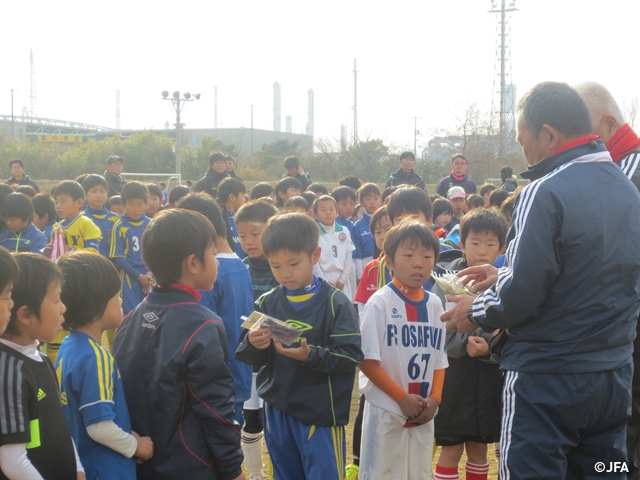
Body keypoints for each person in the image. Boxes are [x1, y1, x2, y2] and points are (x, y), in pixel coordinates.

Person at [442, 81, 640, 479]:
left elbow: (521, 296)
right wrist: (506, 272)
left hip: (547, 384)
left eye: (522, 139)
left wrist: (474, 309)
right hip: (612, 382)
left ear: (548, 135)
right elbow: (592, 271)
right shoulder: (626, 187)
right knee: (606, 470)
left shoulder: (544, 191)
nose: (523, 151)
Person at [113, 209, 245, 480]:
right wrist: (233, 470)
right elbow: (215, 410)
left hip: (141, 460)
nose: (218, 263)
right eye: (213, 254)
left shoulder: (132, 317)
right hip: (191, 464)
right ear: (193, 263)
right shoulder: (204, 325)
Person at [236, 213, 363, 480]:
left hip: (320, 413)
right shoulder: (267, 302)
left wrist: (310, 355)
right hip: (276, 409)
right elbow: (247, 355)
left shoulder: (336, 303)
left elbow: (350, 356)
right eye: (276, 266)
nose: (286, 273)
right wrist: (254, 343)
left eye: (293, 263)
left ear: (315, 255)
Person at [575, 80, 640, 479]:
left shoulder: (625, 176)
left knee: (622, 446)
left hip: (627, 340)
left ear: (609, 124)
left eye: (579, 136)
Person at [358, 221, 448, 480]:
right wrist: (400, 397)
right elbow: (366, 361)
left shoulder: (434, 304)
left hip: (423, 411)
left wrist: (436, 399)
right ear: (390, 261)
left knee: (418, 474)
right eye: (408, 255)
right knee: (383, 474)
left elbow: (440, 361)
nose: (418, 263)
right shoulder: (380, 303)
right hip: (388, 409)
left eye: (427, 256)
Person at [55, 252, 153, 480]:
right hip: (107, 470)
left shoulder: (68, 347)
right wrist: (136, 447)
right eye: (115, 295)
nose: (120, 301)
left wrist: (128, 435)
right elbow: (98, 427)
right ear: (96, 302)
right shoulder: (95, 356)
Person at [433, 209, 507, 480]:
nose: (482, 250)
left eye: (490, 244)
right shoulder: (446, 282)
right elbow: (440, 331)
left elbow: (508, 333)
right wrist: (465, 342)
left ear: (502, 247)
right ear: (461, 244)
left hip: (487, 380)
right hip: (453, 378)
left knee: (479, 448)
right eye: (475, 242)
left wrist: (488, 350)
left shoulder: (504, 285)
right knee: (451, 448)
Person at [0, 253, 85, 480]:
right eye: (57, 299)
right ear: (26, 314)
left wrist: (77, 468)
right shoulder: (9, 373)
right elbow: (12, 460)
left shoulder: (41, 358)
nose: (63, 308)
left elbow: (59, 424)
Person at [179, 194, 253, 426]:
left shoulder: (210, 272)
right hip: (238, 372)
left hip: (216, 379)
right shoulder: (240, 264)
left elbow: (199, 331)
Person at [235, 199, 279, 480]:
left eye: (255, 233)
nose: (248, 241)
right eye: (242, 235)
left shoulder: (286, 266)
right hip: (250, 361)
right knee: (251, 421)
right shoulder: (239, 269)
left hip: (281, 360)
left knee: (277, 422)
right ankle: (255, 474)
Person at [109, 181, 152, 316]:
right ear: (124, 204)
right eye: (131, 205)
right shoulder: (119, 226)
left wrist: (150, 274)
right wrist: (139, 276)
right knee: (131, 315)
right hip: (130, 278)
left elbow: (158, 254)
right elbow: (118, 257)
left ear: (146, 203)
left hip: (151, 276)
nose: (136, 209)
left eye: (140, 204)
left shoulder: (152, 224)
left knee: (151, 314)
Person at [313, 195, 355, 300]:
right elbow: (314, 261)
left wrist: (343, 279)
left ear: (336, 212)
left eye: (331, 209)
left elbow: (348, 256)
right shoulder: (314, 233)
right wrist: (323, 281)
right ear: (315, 214)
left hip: (342, 279)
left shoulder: (344, 231)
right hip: (322, 278)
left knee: (344, 309)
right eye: (323, 210)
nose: (328, 212)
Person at [51, 180, 102, 255]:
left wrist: (68, 251)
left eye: (63, 201)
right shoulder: (57, 228)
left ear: (79, 203)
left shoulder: (86, 224)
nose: (58, 206)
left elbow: (93, 252)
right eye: (56, 202)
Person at [81, 174, 120, 258]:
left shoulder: (115, 218)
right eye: (94, 191)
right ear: (85, 195)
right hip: (89, 263)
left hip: (112, 265)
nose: (99, 195)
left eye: (102, 191)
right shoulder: (81, 218)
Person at [353, 183, 382, 281]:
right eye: (368, 199)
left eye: (375, 198)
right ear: (361, 202)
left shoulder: (386, 221)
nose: (372, 202)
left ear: (380, 200)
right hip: (366, 262)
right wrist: (360, 274)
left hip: (384, 262)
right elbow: (358, 252)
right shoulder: (358, 225)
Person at [217, 177, 247, 259]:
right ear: (232, 197)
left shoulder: (245, 217)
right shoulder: (219, 220)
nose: (244, 199)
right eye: (242, 195)